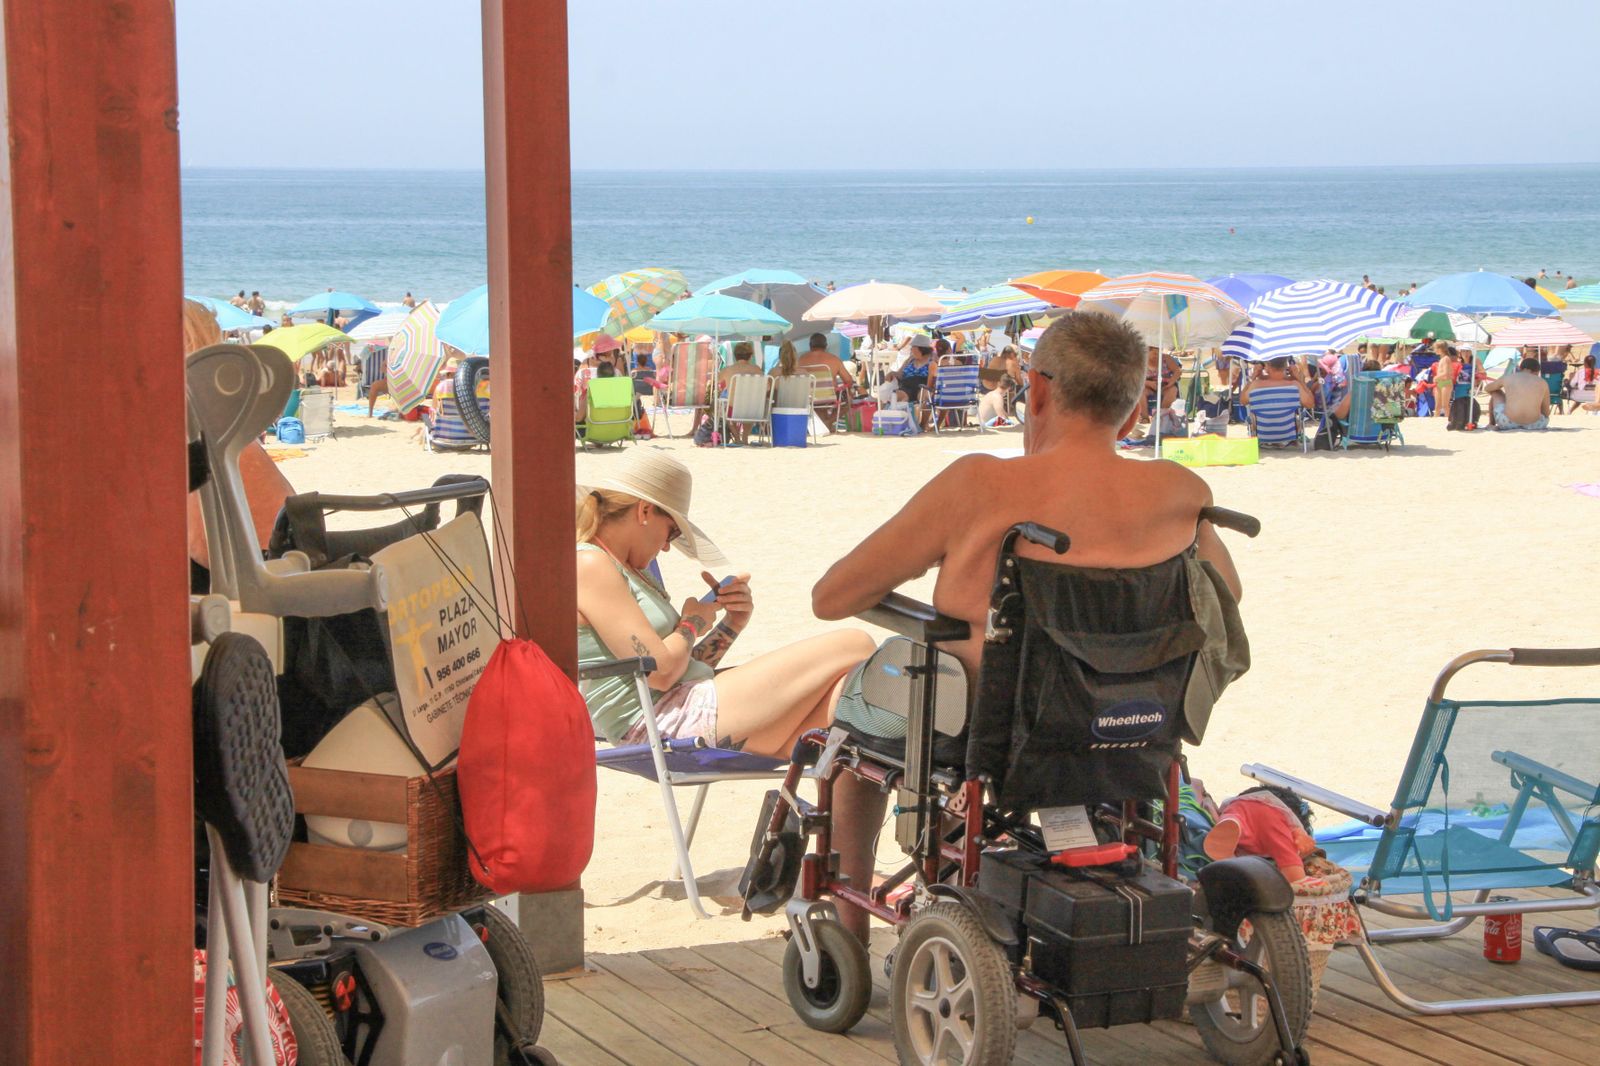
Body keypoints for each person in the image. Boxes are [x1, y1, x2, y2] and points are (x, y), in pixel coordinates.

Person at [813, 307, 1240, 701]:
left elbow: (830, 599)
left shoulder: (978, 485)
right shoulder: (1183, 493)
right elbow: (1227, 596)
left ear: (1035, 393)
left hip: (985, 742)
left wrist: (931, 557)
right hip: (1132, 737)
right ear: (1130, 418)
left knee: (846, 707)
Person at [575, 451, 879, 938]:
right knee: (856, 644)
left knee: (842, 721)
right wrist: (693, 618)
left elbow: (681, 667)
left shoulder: (622, 568)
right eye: (673, 533)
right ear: (645, 511)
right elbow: (659, 670)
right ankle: (826, 869)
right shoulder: (590, 565)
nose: (669, 548)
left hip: (681, 706)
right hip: (657, 723)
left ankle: (833, 874)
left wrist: (730, 624)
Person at [183, 299, 294, 592]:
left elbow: (201, 549)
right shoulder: (229, 428)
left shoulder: (201, 434)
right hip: (283, 559)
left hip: (245, 575)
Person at [1240, 357, 1314, 443]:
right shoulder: (1294, 385)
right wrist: (1299, 379)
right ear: (1286, 366)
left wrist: (1253, 376)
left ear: (1267, 366)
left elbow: (1242, 401)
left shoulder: (1255, 386)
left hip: (1263, 435)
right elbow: (1310, 404)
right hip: (1288, 435)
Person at [1484, 357, 1552, 430]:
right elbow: (1546, 412)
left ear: (1520, 368)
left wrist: (1506, 398)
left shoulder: (1508, 377)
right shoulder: (1543, 382)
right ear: (1537, 371)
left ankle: (1491, 424)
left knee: (1495, 391)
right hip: (1536, 425)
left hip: (1507, 423)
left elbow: (1487, 388)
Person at [1143, 346, 1182, 415]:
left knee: (1172, 391)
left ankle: (1161, 415)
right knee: (1140, 392)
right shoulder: (1141, 361)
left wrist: (1171, 382)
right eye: (1154, 353)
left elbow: (1178, 371)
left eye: (1158, 352)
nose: (1156, 355)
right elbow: (1134, 379)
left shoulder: (1166, 358)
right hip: (1148, 385)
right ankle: (1144, 416)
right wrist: (1148, 383)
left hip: (1165, 384)